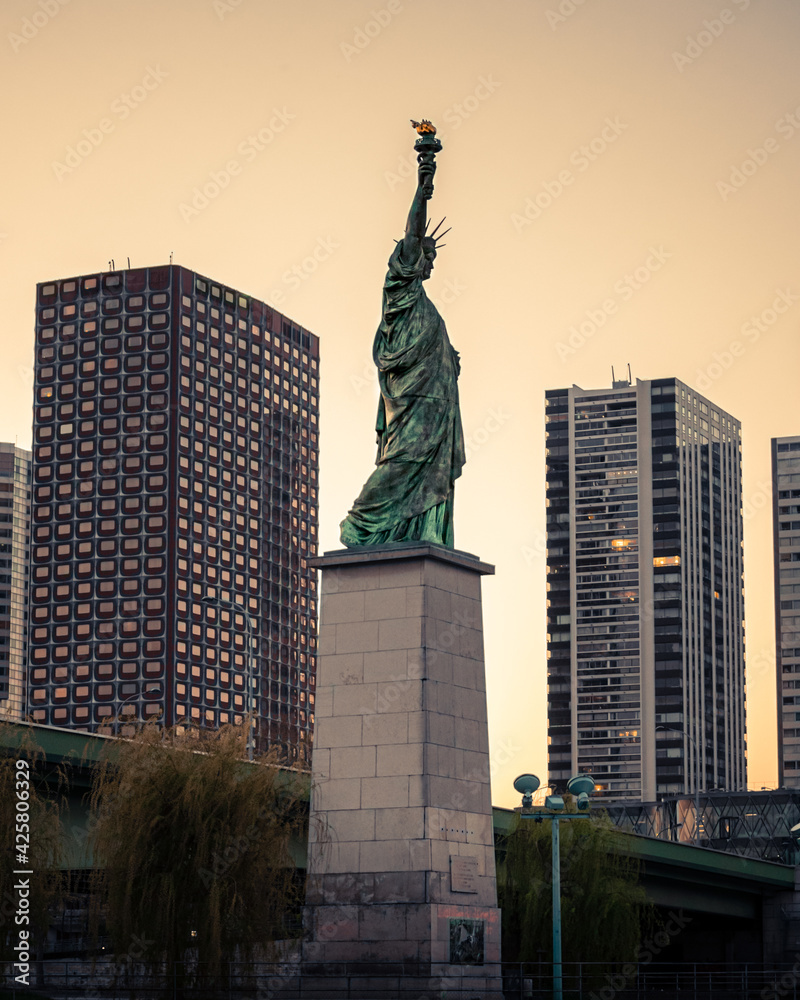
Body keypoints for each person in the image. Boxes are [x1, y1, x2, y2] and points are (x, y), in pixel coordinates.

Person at [340, 149, 465, 548]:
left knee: (430, 470)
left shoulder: (427, 308)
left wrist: (450, 358)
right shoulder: (402, 288)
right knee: (402, 461)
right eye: (423, 256)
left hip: (435, 404)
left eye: (429, 258)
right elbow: (413, 232)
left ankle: (422, 530)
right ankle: (361, 522)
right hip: (411, 401)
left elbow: (433, 349)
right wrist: (423, 186)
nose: (427, 262)